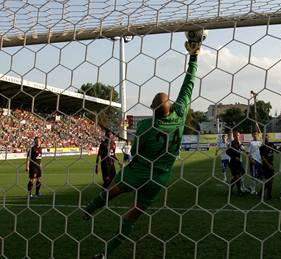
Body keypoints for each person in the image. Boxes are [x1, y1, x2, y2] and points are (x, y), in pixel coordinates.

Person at [83, 41, 202, 259]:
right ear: (171, 106)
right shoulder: (181, 113)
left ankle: (89, 209)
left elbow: (136, 152)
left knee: (114, 190)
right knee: (132, 214)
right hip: (160, 176)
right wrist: (194, 56)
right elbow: (189, 84)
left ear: (154, 111)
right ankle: (106, 253)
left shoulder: (148, 126)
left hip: (140, 170)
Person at [226, 130, 246, 195]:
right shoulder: (231, 143)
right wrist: (234, 157)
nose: (237, 136)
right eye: (235, 135)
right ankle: (239, 191)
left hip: (239, 162)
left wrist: (244, 149)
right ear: (233, 136)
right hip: (233, 162)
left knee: (239, 176)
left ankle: (230, 188)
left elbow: (243, 149)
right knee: (237, 176)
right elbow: (227, 152)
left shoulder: (239, 143)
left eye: (238, 135)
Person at [259, 133, 275, 200]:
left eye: (266, 136)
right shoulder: (262, 147)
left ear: (268, 137)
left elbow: (278, 150)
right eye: (264, 137)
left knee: (270, 180)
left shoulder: (271, 145)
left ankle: (261, 192)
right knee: (269, 180)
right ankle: (268, 195)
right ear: (262, 138)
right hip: (266, 165)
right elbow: (263, 157)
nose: (265, 138)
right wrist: (269, 165)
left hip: (271, 164)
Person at [248, 129, 263, 195]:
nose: (255, 135)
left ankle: (252, 187)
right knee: (254, 176)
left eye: (256, 134)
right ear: (252, 135)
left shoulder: (260, 142)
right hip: (254, 161)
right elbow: (248, 153)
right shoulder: (251, 143)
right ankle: (253, 190)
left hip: (260, 161)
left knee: (259, 176)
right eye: (254, 134)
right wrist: (251, 160)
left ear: (258, 135)